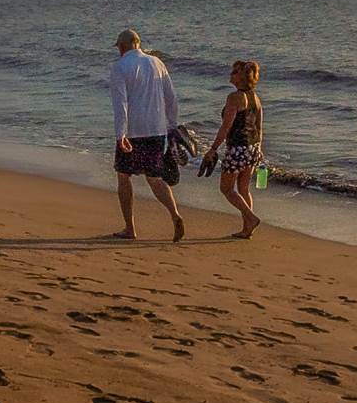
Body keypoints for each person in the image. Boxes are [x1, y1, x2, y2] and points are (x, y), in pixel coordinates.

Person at [108, 27, 184, 243]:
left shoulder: (120, 67)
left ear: (122, 47)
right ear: (138, 44)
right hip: (157, 129)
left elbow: (120, 104)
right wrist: (171, 124)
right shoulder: (157, 63)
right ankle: (174, 214)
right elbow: (171, 97)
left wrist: (120, 133)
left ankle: (130, 227)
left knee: (123, 177)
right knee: (155, 178)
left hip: (133, 131)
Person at [198, 58, 267, 239]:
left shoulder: (235, 98)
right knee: (244, 189)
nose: (231, 75)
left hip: (237, 148)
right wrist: (258, 150)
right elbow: (259, 127)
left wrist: (213, 149)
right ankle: (247, 229)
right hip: (252, 147)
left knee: (226, 189)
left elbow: (226, 126)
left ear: (242, 77)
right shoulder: (256, 98)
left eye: (234, 72)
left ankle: (251, 218)